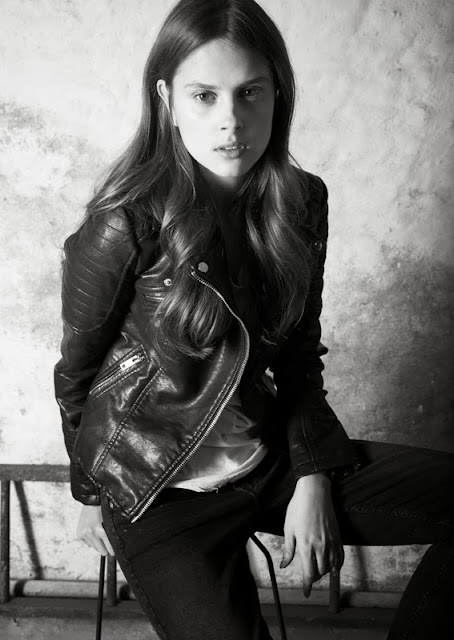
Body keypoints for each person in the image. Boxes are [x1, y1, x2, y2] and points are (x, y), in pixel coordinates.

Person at [54, 0, 454, 638]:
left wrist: (312, 476)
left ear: (278, 94)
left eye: (250, 92)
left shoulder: (301, 201)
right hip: (158, 493)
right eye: (204, 96)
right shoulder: (124, 220)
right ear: (167, 99)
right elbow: (77, 374)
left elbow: (297, 357)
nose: (231, 120)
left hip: (267, 463)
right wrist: (92, 494)